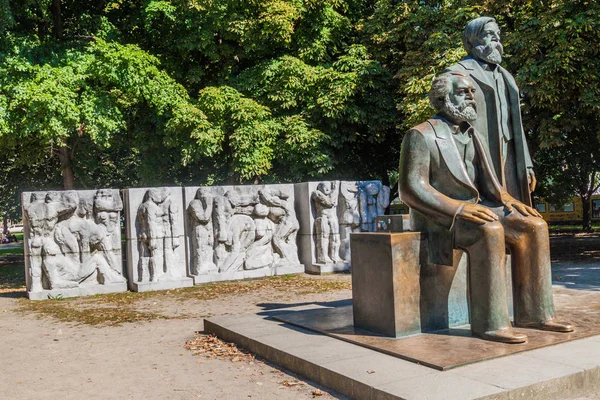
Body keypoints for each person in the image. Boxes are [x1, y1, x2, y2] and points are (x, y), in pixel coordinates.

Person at [398, 71, 573, 343]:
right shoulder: (420, 135)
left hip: (475, 209)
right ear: (443, 98)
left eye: (472, 92)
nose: (471, 96)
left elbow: (490, 184)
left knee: (534, 226)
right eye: (464, 92)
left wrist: (509, 201)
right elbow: (411, 188)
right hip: (440, 217)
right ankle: (490, 323)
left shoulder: (473, 135)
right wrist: (457, 208)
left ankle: (536, 314)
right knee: (489, 231)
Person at [446, 17, 535, 206]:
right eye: (488, 34)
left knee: (515, 210)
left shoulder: (506, 76)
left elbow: (517, 125)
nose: (496, 40)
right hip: (477, 154)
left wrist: (526, 163)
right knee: (486, 211)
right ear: (471, 41)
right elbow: (447, 122)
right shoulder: (455, 73)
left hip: (509, 152)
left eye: (497, 35)